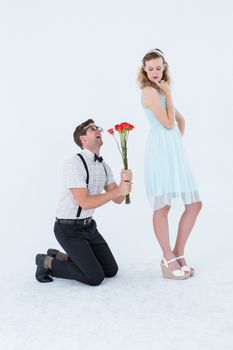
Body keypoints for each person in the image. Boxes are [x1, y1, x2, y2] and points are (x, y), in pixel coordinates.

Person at [35, 119, 132, 285]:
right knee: (94, 278)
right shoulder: (73, 163)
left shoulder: (104, 167)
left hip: (89, 227)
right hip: (68, 229)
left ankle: (57, 255)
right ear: (83, 139)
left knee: (111, 270)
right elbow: (85, 203)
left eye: (98, 128)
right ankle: (46, 261)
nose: (98, 130)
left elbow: (118, 199)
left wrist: (126, 184)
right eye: (93, 129)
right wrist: (118, 190)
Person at [138, 49, 202, 280]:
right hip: (158, 152)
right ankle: (168, 256)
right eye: (151, 68)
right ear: (144, 69)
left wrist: (174, 147)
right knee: (162, 206)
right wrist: (169, 93)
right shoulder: (149, 91)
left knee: (194, 204)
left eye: (159, 67)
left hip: (170, 153)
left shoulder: (160, 91)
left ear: (164, 66)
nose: (155, 72)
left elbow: (181, 121)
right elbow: (167, 123)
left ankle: (179, 253)